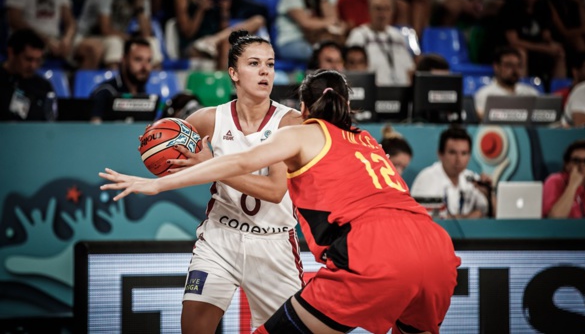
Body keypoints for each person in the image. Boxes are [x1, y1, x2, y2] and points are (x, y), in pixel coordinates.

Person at [99, 68, 460, 334]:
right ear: (347, 106)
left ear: (303, 108)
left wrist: (158, 185)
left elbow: (240, 162)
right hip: (435, 248)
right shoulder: (368, 140)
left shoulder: (302, 132)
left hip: (373, 248)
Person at [104, 30, 304, 332]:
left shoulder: (290, 123)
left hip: (272, 242)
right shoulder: (209, 119)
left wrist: (214, 166)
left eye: (270, 64)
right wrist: (155, 140)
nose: (265, 71)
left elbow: (275, 191)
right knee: (194, 327)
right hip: (220, 237)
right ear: (233, 73)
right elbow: (170, 147)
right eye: (254, 63)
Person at [5, 0, 102, 69]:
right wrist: (45, 40)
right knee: (33, 51)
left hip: (55, 39)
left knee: (93, 49)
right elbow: (14, 20)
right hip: (28, 40)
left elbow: (70, 21)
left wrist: (67, 39)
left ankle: (79, 85)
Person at [174, 0, 265, 68]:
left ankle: (213, 42)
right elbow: (187, 33)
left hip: (215, 42)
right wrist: (200, 10)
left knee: (258, 21)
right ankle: (225, 82)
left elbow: (223, 28)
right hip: (194, 45)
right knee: (225, 46)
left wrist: (224, 11)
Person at [77, 0, 163, 68]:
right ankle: (116, 83)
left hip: (117, 37)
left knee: (151, 43)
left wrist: (139, 7)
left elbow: (147, 33)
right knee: (115, 44)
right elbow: (105, 28)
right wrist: (130, 39)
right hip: (86, 37)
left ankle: (153, 84)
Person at [411, 126, 492, 219]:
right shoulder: (427, 179)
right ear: (440, 154)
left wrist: (489, 194)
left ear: (469, 156)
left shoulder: (473, 179)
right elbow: (423, 219)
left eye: (464, 153)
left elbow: (490, 214)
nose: (458, 159)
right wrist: (468, 217)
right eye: (452, 153)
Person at [275, 0, 346, 62]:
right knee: (324, 55)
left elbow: (334, 21)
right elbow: (306, 23)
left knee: (341, 52)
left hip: (319, 41)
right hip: (292, 42)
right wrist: (329, 21)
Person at [346, 0, 415, 85]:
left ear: (392, 12)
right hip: (374, 92)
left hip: (401, 92)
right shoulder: (359, 35)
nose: (382, 14)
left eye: (387, 9)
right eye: (378, 9)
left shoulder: (398, 36)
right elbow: (352, 69)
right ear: (369, 11)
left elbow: (410, 68)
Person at [89, 37, 153, 122]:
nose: (145, 67)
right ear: (124, 60)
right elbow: (93, 128)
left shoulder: (143, 93)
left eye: (148, 60)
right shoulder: (106, 92)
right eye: (138, 59)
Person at [0, 29, 55, 121]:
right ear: (11, 53)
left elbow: (50, 119)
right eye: (28, 59)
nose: (33, 66)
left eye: (38, 60)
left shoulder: (43, 86)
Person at [474, 46, 540, 120]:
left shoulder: (530, 93)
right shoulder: (485, 94)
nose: (514, 70)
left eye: (518, 66)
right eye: (509, 65)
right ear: (496, 67)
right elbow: (482, 119)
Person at [543, 140, 585, 218]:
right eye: (576, 161)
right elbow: (554, 219)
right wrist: (573, 185)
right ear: (567, 165)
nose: (581, 165)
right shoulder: (554, 181)